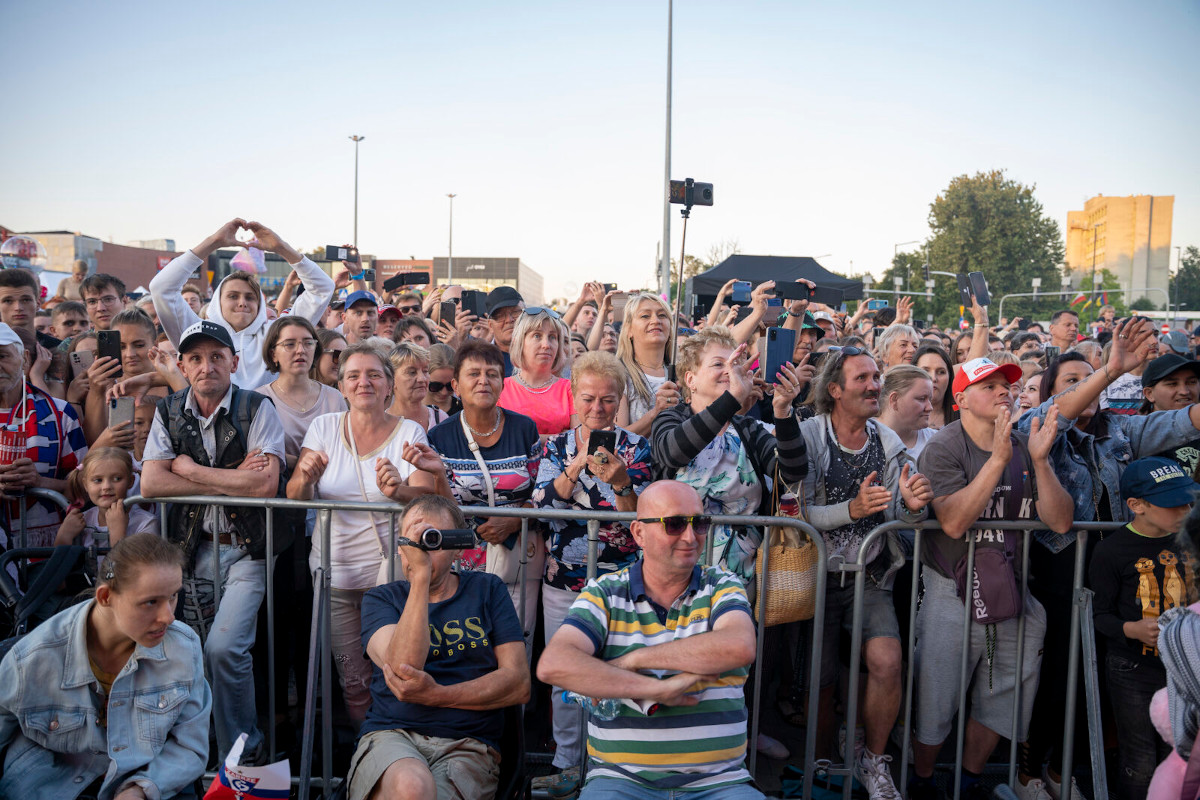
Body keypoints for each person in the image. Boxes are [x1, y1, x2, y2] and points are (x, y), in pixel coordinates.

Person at [1017, 320, 1200, 791]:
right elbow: (1047, 418)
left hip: (1115, 573)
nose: (1085, 386)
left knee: (1099, 680)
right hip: (1058, 573)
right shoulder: (1038, 426)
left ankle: (1064, 772)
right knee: (1058, 678)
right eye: (1071, 381)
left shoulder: (1121, 429)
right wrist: (1109, 369)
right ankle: (1028, 772)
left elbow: (1178, 423)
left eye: (1089, 377)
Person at [537, 480, 763, 799]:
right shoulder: (604, 592)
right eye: (673, 524)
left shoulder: (722, 584)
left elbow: (738, 646)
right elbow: (554, 665)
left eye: (699, 523)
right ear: (638, 533)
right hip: (619, 780)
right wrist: (656, 690)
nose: (690, 536)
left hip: (720, 781)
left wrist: (631, 661)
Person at [914, 357, 1072, 800]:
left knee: (1003, 697)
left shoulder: (1027, 443)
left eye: (1008, 384)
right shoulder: (944, 447)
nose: (1005, 391)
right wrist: (998, 458)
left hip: (1014, 591)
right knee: (937, 699)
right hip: (953, 590)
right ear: (960, 399)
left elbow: (1060, 523)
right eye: (990, 385)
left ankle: (969, 780)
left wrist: (1039, 462)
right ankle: (924, 781)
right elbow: (953, 522)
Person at [141, 319, 286, 763]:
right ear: (182, 366)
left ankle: (244, 758)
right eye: (197, 358)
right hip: (193, 550)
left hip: (248, 550)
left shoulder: (255, 407)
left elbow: (263, 486)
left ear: (234, 362)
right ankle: (205, 758)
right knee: (198, 656)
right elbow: (150, 484)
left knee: (224, 649)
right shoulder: (169, 410)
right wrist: (232, 478)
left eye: (217, 356)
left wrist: (187, 471)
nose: (207, 366)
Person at [288, 342, 451, 729]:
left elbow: (427, 497)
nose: (364, 382)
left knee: (399, 671)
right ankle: (369, 751)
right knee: (355, 681)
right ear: (341, 386)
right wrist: (305, 478)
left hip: (393, 579)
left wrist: (398, 493)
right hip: (335, 576)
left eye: (374, 374)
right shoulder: (324, 427)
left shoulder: (409, 430)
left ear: (388, 386)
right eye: (354, 376)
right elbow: (295, 495)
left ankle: (400, 748)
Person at [796, 345, 932, 797]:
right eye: (863, 379)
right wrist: (851, 509)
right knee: (820, 681)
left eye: (877, 376)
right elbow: (800, 513)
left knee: (888, 662)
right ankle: (817, 769)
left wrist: (912, 508)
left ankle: (874, 764)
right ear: (834, 389)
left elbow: (902, 516)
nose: (875, 385)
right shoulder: (811, 435)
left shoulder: (887, 443)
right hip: (814, 575)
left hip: (870, 573)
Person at [0, 533, 210, 800]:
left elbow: (191, 747)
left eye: (173, 597)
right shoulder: (31, 660)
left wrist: (143, 789)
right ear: (105, 597)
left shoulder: (183, 647)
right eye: (151, 602)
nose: (168, 616)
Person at [347, 493, 530, 800]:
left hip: (468, 746)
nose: (419, 549)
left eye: (431, 539)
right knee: (411, 787)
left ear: (457, 549)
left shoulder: (487, 590)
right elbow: (406, 668)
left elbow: (518, 684)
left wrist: (437, 695)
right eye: (412, 540)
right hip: (393, 736)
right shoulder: (382, 598)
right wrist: (421, 580)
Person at [532, 351, 651, 794]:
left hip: (622, 583)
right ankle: (567, 763)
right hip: (564, 579)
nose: (597, 409)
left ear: (620, 401)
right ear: (573, 397)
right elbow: (543, 505)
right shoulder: (553, 447)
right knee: (566, 677)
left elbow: (639, 518)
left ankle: (612, 766)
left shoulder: (638, 449)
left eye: (607, 400)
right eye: (588, 399)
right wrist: (575, 467)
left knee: (617, 672)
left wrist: (621, 482)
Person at [651, 326, 807, 590]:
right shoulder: (671, 418)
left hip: (739, 578)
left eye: (733, 363)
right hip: (675, 571)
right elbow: (672, 451)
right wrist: (733, 398)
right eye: (718, 364)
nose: (729, 371)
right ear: (691, 379)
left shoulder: (748, 428)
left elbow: (792, 472)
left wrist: (783, 412)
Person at [1089, 457, 1198, 800]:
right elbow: (1098, 614)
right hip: (1133, 669)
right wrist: (1131, 629)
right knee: (1139, 762)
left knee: (1179, 758)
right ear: (1137, 506)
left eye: (1189, 499)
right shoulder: (1111, 550)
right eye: (1173, 503)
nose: (1186, 507)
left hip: (1186, 671)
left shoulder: (1193, 540)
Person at [426, 340, 542, 635]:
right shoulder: (439, 436)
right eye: (473, 373)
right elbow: (440, 507)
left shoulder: (524, 428)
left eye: (492, 374)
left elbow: (542, 489)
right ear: (455, 385)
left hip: (517, 559)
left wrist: (515, 519)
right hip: (461, 563)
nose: (483, 381)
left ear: (502, 384)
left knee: (515, 643)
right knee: (470, 649)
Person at [150, 219, 335, 389]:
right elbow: (161, 288)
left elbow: (323, 288)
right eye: (232, 296)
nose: (242, 303)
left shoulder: (277, 333)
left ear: (260, 304)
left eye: (250, 297)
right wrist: (213, 242)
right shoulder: (197, 332)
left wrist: (282, 248)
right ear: (217, 302)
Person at [0, 323, 87, 550]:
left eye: (2, 356)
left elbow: (86, 485)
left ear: (25, 359)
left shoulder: (60, 413)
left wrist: (40, 482)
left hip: (48, 552)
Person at [55, 446, 158, 555]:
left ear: (131, 481)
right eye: (98, 480)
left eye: (117, 478)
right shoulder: (82, 521)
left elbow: (136, 569)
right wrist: (63, 537)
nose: (106, 487)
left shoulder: (145, 523)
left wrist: (118, 534)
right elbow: (56, 568)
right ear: (85, 485)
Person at [499, 307, 576, 439]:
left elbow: (576, 440)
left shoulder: (570, 388)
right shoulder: (500, 388)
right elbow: (495, 438)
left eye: (552, 337)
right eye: (537, 336)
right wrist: (557, 437)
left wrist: (520, 437)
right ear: (519, 341)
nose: (546, 345)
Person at [616, 292, 681, 437]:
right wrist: (656, 412)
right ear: (629, 330)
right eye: (645, 316)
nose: (655, 320)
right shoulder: (617, 375)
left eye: (662, 315)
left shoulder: (684, 371)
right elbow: (618, 438)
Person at [1138, 353, 1200, 475]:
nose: (1184, 391)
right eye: (1172, 384)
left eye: (1191, 382)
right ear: (1149, 393)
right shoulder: (1134, 438)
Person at [388, 342, 451, 431]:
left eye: (425, 371)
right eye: (412, 372)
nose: (422, 379)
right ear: (391, 378)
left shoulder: (441, 418)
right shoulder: (381, 423)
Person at [877, 365, 936, 460]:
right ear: (894, 399)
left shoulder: (936, 441)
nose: (930, 407)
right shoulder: (865, 438)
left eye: (930, 399)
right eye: (921, 399)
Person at [485, 286, 524, 377]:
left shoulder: (540, 354)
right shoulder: (480, 359)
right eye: (500, 316)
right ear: (490, 325)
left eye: (515, 312)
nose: (509, 319)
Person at [914, 344, 955, 429]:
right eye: (925, 371)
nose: (933, 378)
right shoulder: (900, 417)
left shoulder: (962, 417)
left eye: (941, 372)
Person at [425, 343, 461, 418]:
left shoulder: (465, 410)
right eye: (436, 386)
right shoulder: (408, 410)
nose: (444, 392)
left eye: (450, 386)